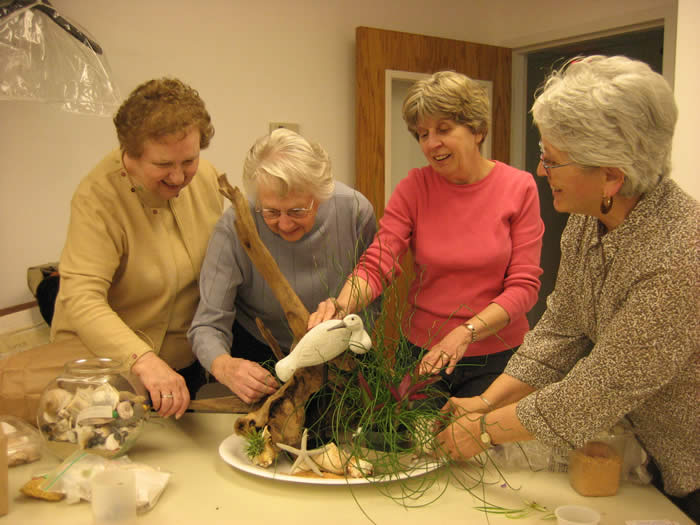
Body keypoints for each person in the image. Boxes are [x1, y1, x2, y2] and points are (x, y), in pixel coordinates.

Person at [436, 56, 699, 520]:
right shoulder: (586, 221)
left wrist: (484, 429)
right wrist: (486, 401)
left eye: (552, 161)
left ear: (611, 176)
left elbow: (598, 389)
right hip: (642, 457)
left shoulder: (679, 256)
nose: (541, 171)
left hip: (688, 462)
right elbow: (561, 330)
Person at [308, 71, 544, 399]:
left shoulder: (518, 188)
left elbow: (524, 287)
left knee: (480, 433)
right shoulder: (415, 188)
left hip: (498, 355)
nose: (432, 143)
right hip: (422, 354)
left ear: (477, 130)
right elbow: (378, 263)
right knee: (417, 434)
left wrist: (467, 332)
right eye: (423, 134)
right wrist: (340, 304)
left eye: (444, 130)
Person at [50, 78, 224, 419]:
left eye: (189, 161)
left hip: (178, 370)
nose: (178, 177)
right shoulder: (97, 198)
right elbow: (82, 298)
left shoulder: (207, 179)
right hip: (106, 370)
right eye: (163, 165)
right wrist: (141, 359)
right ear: (129, 155)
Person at [187, 128, 377, 404]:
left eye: (297, 211)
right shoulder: (234, 226)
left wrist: (345, 335)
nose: (285, 224)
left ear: (321, 195)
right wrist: (224, 366)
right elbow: (207, 324)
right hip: (262, 351)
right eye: (272, 212)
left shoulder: (355, 211)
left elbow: (373, 298)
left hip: (339, 348)